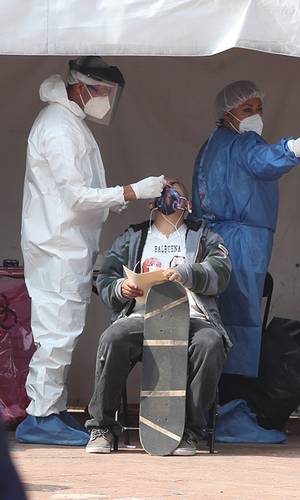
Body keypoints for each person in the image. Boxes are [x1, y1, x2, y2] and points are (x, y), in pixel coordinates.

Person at [16, 56, 166, 446]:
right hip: (56, 245)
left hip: (65, 243)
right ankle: (40, 417)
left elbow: (82, 189)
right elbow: (75, 195)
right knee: (56, 332)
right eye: (101, 92)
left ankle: (52, 407)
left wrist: (116, 199)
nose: (104, 100)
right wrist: (131, 192)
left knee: (63, 328)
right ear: (80, 87)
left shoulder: (68, 122)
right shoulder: (58, 128)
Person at [191, 80, 300, 380]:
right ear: (228, 112)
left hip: (212, 241)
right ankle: (235, 398)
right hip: (241, 245)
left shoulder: (212, 144)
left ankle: (212, 396)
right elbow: (263, 161)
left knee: (217, 315)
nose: (256, 114)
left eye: (259, 108)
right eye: (247, 108)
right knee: (241, 319)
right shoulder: (244, 144)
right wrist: (291, 148)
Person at [85, 181, 232, 455]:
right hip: (141, 316)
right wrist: (121, 288)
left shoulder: (204, 235)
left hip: (191, 316)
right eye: (164, 191)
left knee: (210, 343)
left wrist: (188, 273)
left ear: (187, 204)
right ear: (152, 201)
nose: (169, 195)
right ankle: (102, 428)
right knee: (113, 338)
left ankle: (190, 432)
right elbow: (106, 276)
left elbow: (221, 270)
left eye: (176, 191)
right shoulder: (134, 236)